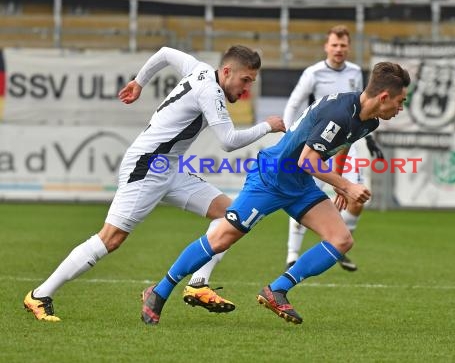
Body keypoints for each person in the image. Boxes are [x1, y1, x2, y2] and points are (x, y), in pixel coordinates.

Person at [23, 45, 285, 322]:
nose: (246, 89)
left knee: (232, 216)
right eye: (245, 80)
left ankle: (198, 284)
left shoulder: (199, 69)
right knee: (110, 239)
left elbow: (164, 53)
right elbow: (228, 141)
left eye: (251, 82)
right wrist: (267, 125)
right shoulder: (210, 91)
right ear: (227, 71)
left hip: (169, 167)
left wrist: (139, 82)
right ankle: (40, 295)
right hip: (147, 166)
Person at [140, 61, 410, 325]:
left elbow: (345, 143)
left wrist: (340, 184)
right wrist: (347, 185)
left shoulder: (369, 120)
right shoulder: (339, 112)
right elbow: (308, 160)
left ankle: (276, 290)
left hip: (300, 184)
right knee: (221, 239)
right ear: (384, 96)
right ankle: (159, 292)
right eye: (400, 101)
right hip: (271, 178)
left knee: (341, 240)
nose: (400, 108)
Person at [283, 25, 384, 272]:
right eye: (334, 45)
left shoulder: (355, 72)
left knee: (357, 199)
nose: (338, 49)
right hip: (316, 144)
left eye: (343, 45)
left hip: (345, 144)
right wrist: (289, 135)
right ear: (326, 47)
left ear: (348, 47)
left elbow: (363, 108)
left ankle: (336, 244)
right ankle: (292, 254)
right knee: (304, 197)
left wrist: (370, 141)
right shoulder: (313, 73)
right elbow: (293, 103)